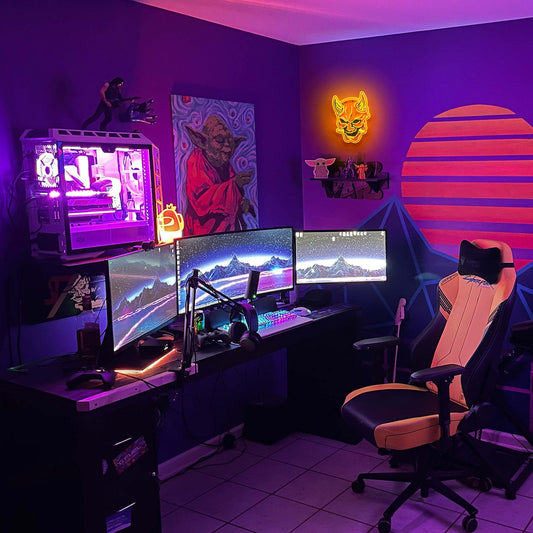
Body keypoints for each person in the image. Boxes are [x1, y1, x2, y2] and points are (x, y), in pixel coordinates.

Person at [183, 115, 256, 236]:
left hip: (228, 235)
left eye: (230, 142)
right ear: (202, 142)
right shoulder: (196, 162)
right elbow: (201, 202)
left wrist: (241, 203)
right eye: (220, 140)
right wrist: (234, 185)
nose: (228, 149)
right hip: (203, 235)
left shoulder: (225, 165)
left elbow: (232, 198)